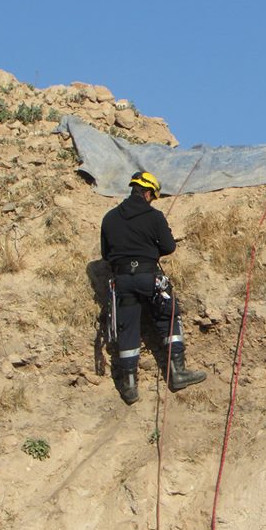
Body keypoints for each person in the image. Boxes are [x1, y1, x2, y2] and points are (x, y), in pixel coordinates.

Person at [100, 171, 206, 404]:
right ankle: (177, 373)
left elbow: (106, 254)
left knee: (127, 328)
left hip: (122, 280)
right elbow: (169, 246)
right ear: (148, 193)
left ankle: (129, 386)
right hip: (149, 277)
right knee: (168, 315)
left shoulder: (109, 218)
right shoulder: (154, 216)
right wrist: (149, 251)